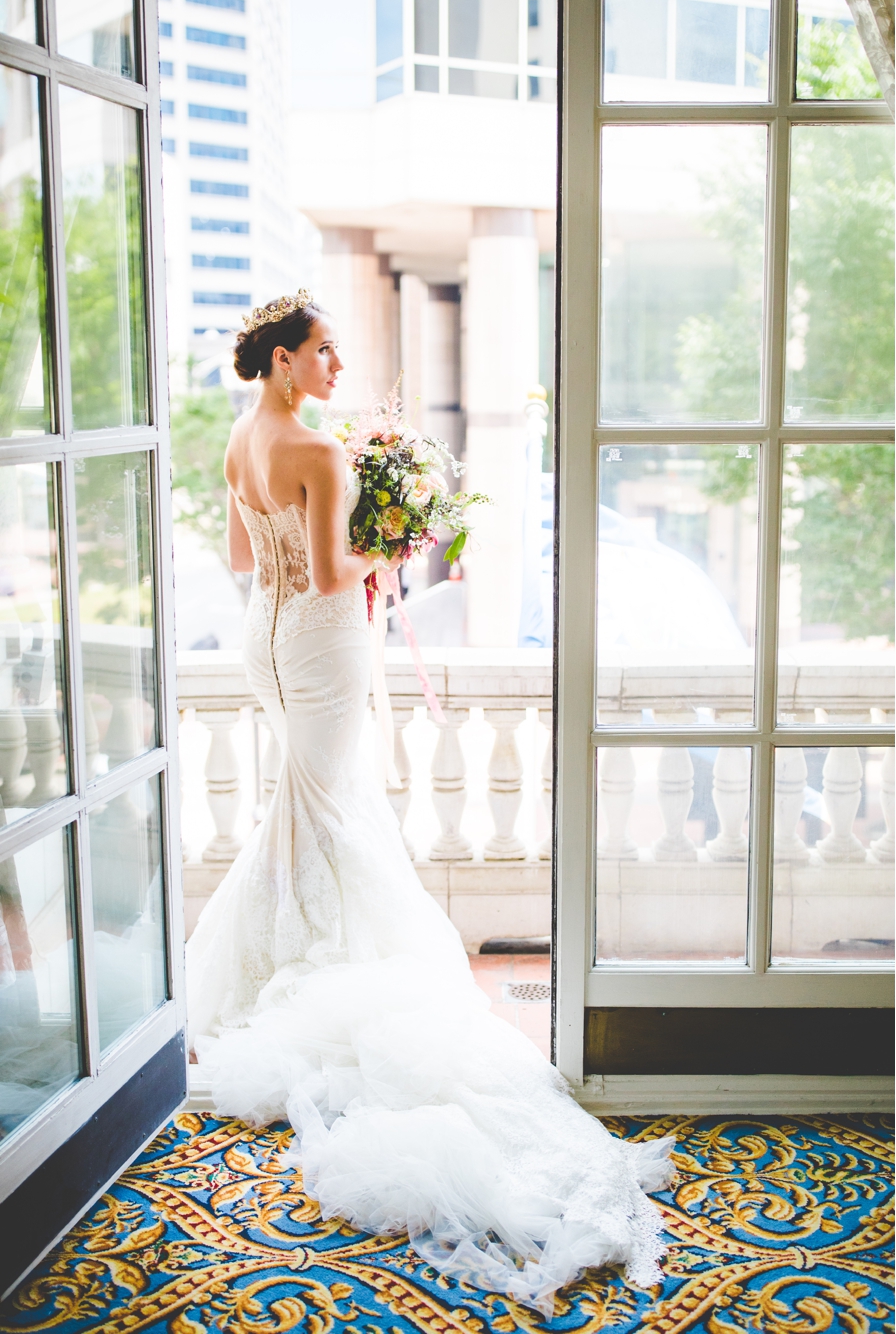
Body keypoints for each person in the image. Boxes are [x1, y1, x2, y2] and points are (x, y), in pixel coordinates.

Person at [185, 291, 672, 1313]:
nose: (334, 369)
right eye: (322, 353)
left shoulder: (244, 438)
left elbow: (244, 559)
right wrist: (393, 542)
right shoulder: (313, 452)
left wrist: (356, 531)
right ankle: (327, 970)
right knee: (336, 807)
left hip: (263, 641)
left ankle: (273, 959)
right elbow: (330, 571)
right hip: (318, 641)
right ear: (281, 359)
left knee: (310, 801)